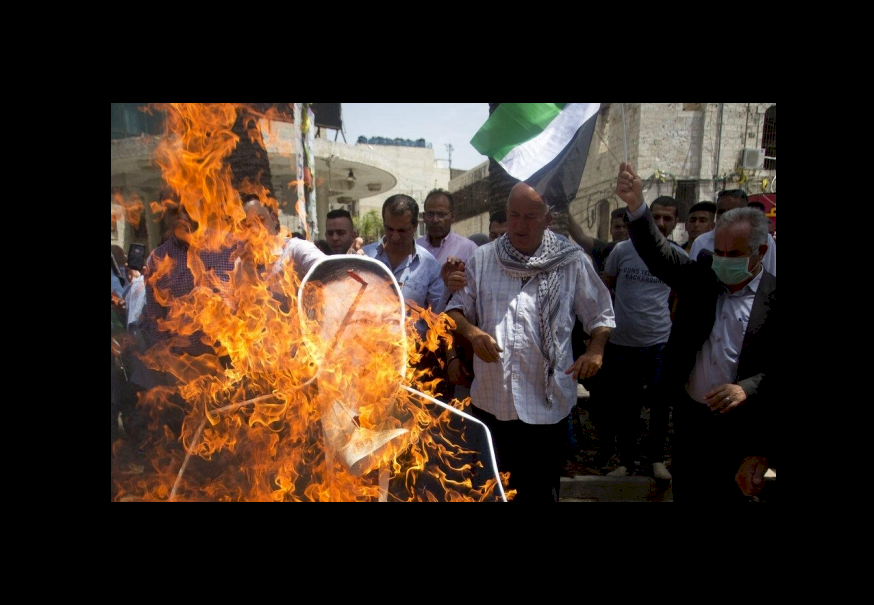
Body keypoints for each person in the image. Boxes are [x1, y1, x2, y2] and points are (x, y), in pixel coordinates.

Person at [445, 181, 615, 502]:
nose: (520, 226)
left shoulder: (572, 261)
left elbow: (601, 316)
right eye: (514, 215)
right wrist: (473, 332)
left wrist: (595, 350)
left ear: (548, 220)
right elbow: (454, 311)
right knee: (492, 491)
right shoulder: (483, 259)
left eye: (530, 217)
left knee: (540, 493)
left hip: (546, 408)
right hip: (493, 405)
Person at [616, 162, 775, 503]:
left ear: (759, 253)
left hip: (740, 431)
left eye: (734, 254)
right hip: (691, 421)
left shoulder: (774, 301)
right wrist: (636, 206)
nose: (723, 260)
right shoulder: (704, 277)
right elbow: (658, 256)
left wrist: (746, 388)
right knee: (687, 492)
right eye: (718, 252)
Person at [601, 196, 687, 481]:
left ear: (676, 222)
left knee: (661, 405)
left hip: (659, 343)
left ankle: (656, 460)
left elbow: (680, 297)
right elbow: (606, 287)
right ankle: (625, 462)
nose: (661, 224)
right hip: (622, 343)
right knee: (626, 405)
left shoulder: (678, 257)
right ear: (647, 218)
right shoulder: (621, 251)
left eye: (668, 218)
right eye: (656, 217)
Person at [363, 194, 447, 336]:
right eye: (389, 229)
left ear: (415, 225)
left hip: (412, 354)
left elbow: (437, 316)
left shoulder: (429, 266)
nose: (395, 237)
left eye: (402, 230)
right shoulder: (365, 257)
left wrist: (449, 288)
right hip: (369, 352)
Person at [690, 189, 776, 275]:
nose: (725, 216)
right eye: (721, 212)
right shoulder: (700, 242)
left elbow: (771, 275)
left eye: (731, 211)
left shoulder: (764, 239)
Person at [416, 188, 478, 266]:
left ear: (452, 216)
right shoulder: (414, 248)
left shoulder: (468, 249)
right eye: (430, 214)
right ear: (424, 217)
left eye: (441, 214)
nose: (435, 220)